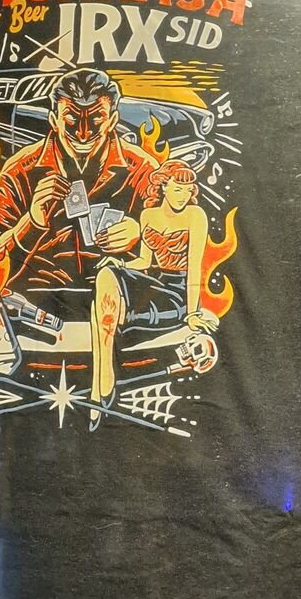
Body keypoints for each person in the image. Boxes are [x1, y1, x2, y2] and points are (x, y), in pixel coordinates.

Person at [0, 66, 152, 291]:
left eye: (96, 118)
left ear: (113, 120)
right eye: (71, 118)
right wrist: (32, 221)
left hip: (116, 297)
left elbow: (180, 251)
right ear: (54, 120)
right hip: (34, 298)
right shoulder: (19, 170)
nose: (83, 133)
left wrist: (142, 235)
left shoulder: (143, 169)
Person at [90, 159, 215, 423]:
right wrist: (120, 264)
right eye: (177, 188)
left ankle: (98, 388)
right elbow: (144, 262)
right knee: (106, 274)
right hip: (153, 282)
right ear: (163, 187)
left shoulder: (196, 215)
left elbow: (195, 268)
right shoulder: (148, 215)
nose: (184, 195)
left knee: (101, 309)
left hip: (178, 293)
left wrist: (191, 313)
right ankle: (102, 374)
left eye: (188, 190)